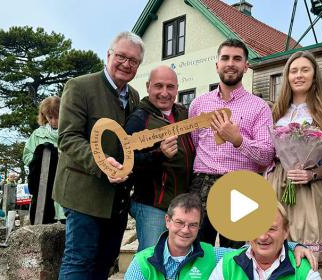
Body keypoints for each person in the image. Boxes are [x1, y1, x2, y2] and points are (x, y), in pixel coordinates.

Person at [52, 31, 143, 279]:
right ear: (108, 55)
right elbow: (68, 138)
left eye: (133, 61)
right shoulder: (80, 86)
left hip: (116, 199)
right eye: (121, 56)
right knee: (78, 261)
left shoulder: (134, 96)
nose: (126, 64)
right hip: (84, 193)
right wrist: (103, 164)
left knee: (105, 261)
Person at [267, 51, 322, 278]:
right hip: (279, 184)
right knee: (276, 235)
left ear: (314, 76)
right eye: (293, 71)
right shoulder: (275, 112)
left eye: (305, 70)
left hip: (311, 188)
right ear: (287, 76)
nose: (298, 75)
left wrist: (311, 174)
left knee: (313, 242)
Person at [188, 38, 274, 248]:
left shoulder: (259, 107)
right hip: (202, 183)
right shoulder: (199, 104)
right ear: (217, 64)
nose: (230, 63)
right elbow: (194, 144)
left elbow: (267, 155)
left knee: (236, 254)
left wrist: (238, 140)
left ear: (246, 66)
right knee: (197, 251)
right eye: (225, 58)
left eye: (237, 59)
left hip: (242, 185)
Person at [124, 193, 316, 279]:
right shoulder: (142, 262)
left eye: (192, 225)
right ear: (167, 221)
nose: (185, 230)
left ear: (200, 227)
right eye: (179, 223)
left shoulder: (213, 255)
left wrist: (293, 245)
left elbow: (253, 249)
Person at [124, 65, 195, 252]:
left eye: (170, 87)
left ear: (177, 89)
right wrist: (159, 155)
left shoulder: (183, 115)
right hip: (152, 207)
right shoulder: (139, 119)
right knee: (152, 261)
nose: (165, 93)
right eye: (159, 86)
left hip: (182, 206)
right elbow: (126, 161)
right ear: (148, 87)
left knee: (177, 260)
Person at [209, 202, 321, 280]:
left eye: (271, 229)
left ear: (286, 231)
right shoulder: (228, 263)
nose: (262, 237)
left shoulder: (303, 269)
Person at [23, 96, 65, 224]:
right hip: (44, 185)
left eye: (56, 117)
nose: (53, 121)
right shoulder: (37, 134)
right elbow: (26, 156)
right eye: (49, 117)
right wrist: (40, 159)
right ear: (44, 116)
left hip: (65, 182)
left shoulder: (72, 132)